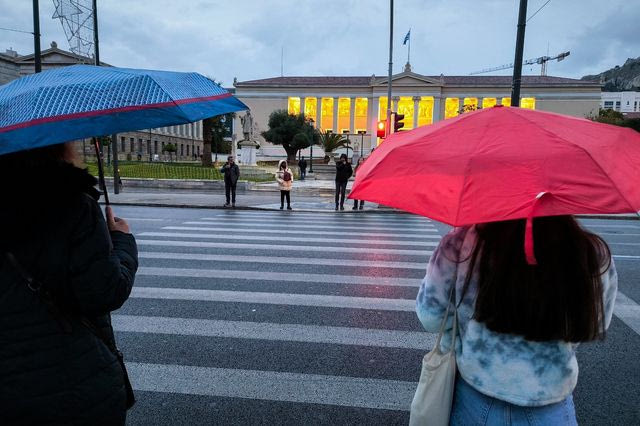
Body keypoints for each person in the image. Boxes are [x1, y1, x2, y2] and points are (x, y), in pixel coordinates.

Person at [416, 217, 617, 425]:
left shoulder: (459, 243)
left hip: (475, 396)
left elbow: (430, 317)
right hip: (549, 401)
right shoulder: (591, 251)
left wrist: (467, 332)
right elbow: (596, 325)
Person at [0, 142, 138, 425]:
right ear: (57, 145)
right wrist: (121, 240)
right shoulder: (72, 203)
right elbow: (105, 291)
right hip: (71, 381)